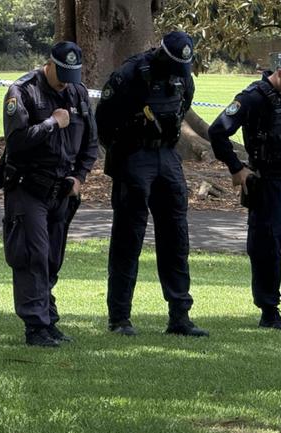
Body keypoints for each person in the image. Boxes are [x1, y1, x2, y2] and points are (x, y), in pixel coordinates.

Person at [96, 31, 208, 337]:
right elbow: (103, 121)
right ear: (162, 55)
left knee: (176, 236)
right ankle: (120, 319)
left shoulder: (182, 76)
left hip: (167, 156)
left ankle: (179, 317)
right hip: (134, 156)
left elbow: (182, 106)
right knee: (128, 238)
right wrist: (126, 151)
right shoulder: (131, 73)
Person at [208, 52, 281, 330]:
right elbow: (217, 132)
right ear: (280, 73)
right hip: (268, 183)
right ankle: (269, 311)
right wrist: (237, 168)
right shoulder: (252, 98)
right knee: (266, 248)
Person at [0, 41, 98, 347]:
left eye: (72, 74)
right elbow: (16, 142)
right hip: (28, 187)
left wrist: (79, 177)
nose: (66, 81)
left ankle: (49, 320)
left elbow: (91, 143)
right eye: (62, 73)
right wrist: (53, 123)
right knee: (33, 255)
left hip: (62, 191)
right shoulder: (23, 91)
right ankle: (35, 327)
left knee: (52, 258)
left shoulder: (77, 92)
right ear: (48, 63)